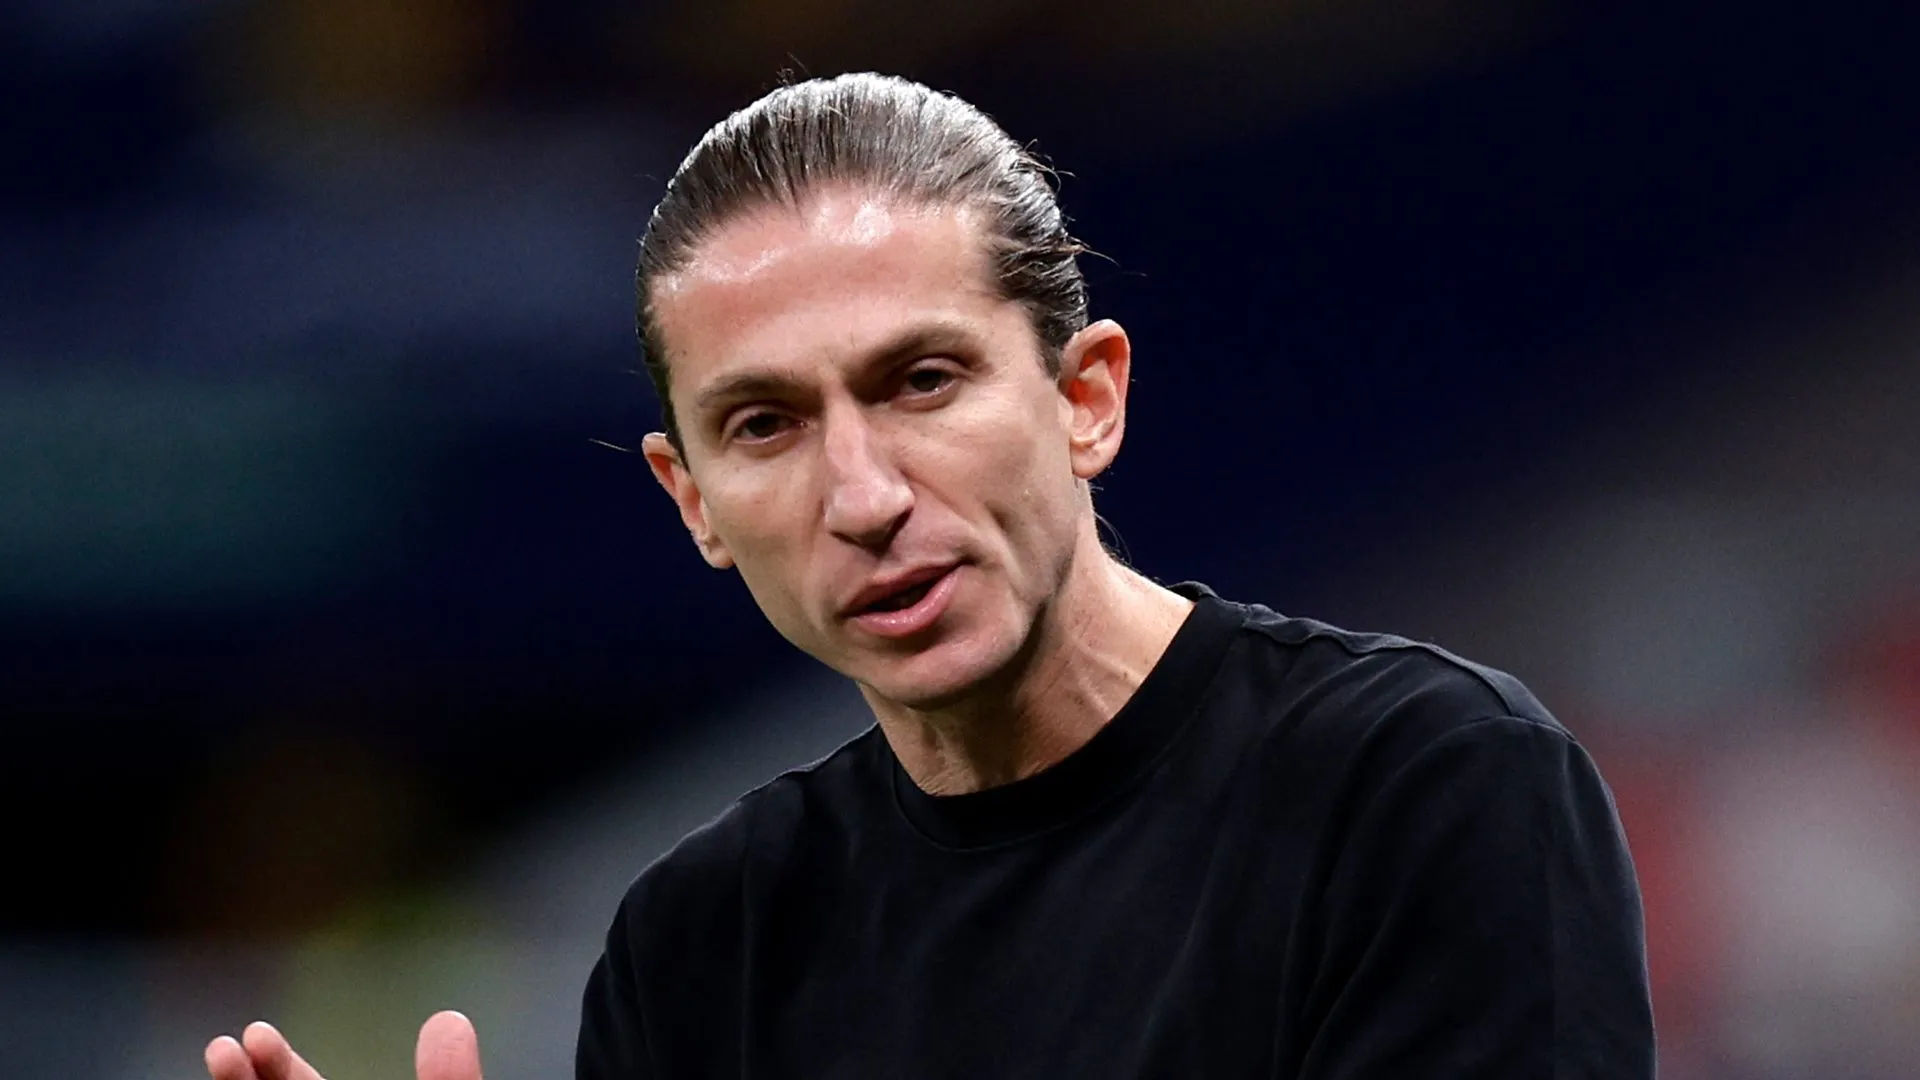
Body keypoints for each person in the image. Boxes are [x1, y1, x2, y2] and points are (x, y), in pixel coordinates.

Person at [205, 72, 1655, 1080]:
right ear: (692, 499)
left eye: (921, 381)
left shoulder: (1427, 791)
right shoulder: (705, 943)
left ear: (1086, 397)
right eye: (764, 424)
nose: (865, 496)